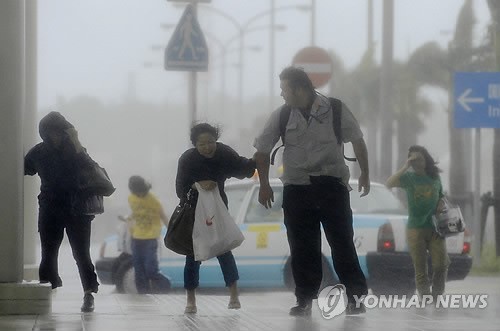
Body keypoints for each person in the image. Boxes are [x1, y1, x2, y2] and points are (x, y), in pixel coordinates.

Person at [253, 66, 370, 316]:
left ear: (299, 89)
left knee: (342, 244)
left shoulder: (335, 109)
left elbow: (357, 140)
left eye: (285, 89)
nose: (282, 94)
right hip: (297, 190)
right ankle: (304, 298)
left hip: (332, 188)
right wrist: (263, 185)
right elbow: (262, 150)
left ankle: (356, 297)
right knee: (302, 247)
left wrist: (366, 174)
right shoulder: (282, 116)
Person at [24, 111, 101, 312]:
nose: (55, 136)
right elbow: (24, 168)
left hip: (78, 209)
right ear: (45, 133)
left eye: (60, 132)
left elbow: (91, 168)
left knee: (81, 253)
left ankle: (88, 293)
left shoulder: (75, 150)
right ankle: (46, 290)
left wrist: (76, 141)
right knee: (48, 253)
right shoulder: (38, 152)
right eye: (51, 132)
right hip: (50, 208)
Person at [175, 123, 256, 314]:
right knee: (193, 255)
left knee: (224, 250)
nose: (207, 147)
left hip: (218, 210)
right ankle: (191, 300)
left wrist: (258, 159)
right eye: (202, 144)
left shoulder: (223, 153)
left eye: (211, 142)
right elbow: (180, 189)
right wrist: (198, 185)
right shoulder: (187, 159)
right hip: (194, 213)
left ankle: (234, 295)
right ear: (195, 144)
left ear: (216, 141)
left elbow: (243, 169)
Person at [386, 145, 449, 299]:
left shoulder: (434, 177)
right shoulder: (409, 178)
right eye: (413, 160)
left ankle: (437, 293)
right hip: (415, 229)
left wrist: (441, 202)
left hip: (435, 228)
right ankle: (425, 295)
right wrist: (405, 166)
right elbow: (389, 183)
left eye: (419, 159)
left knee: (441, 264)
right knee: (420, 268)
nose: (416, 163)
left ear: (426, 159)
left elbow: (441, 195)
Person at [124, 176, 169, 294]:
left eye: (141, 193)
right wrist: (129, 224)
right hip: (136, 238)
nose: (139, 195)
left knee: (151, 269)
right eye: (137, 193)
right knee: (138, 270)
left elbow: (163, 216)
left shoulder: (153, 200)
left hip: (151, 238)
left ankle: (166, 285)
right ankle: (143, 294)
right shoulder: (131, 198)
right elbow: (134, 213)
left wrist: (171, 231)